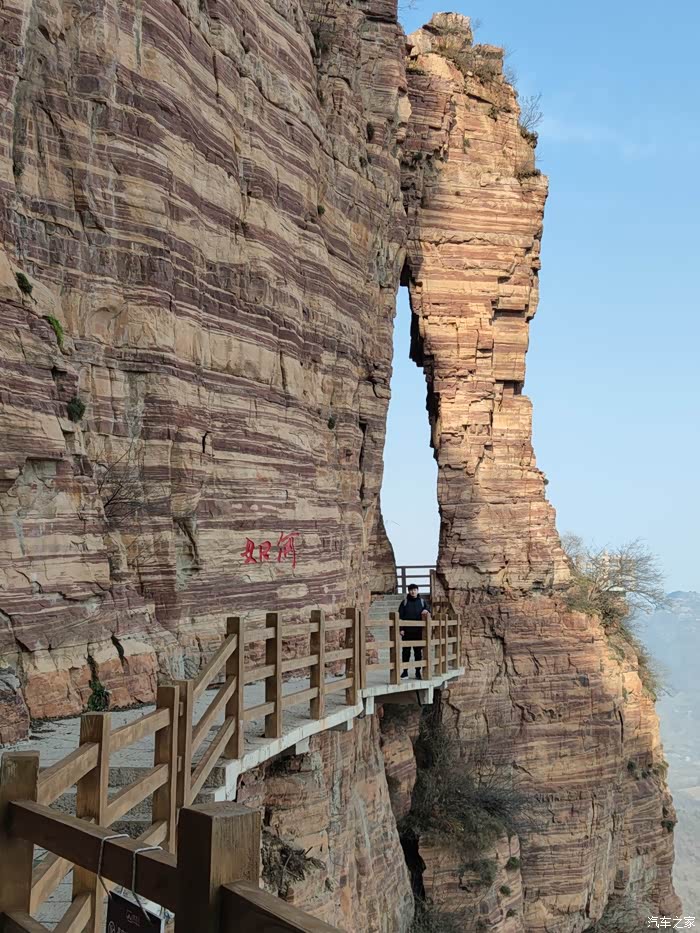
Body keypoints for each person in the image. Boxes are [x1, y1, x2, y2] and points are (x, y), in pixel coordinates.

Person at [399, 584, 430, 679]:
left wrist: (426, 610)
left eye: (415, 590)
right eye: (411, 590)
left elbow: (428, 610)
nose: (413, 592)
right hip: (407, 631)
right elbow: (400, 616)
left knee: (418, 653)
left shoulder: (422, 602)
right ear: (409, 591)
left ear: (417, 590)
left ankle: (418, 672)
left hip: (418, 631)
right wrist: (401, 629)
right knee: (406, 652)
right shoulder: (404, 602)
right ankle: (405, 672)